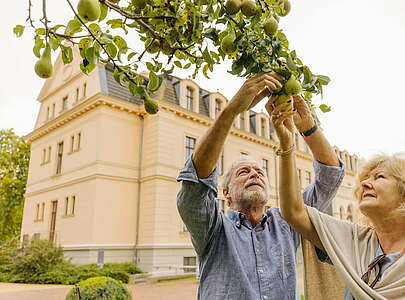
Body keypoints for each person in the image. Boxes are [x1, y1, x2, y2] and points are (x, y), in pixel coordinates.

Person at [176, 72, 344, 300]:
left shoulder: (288, 221)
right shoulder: (213, 229)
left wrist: (308, 128)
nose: (254, 174)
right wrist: (232, 110)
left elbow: (330, 178)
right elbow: (196, 185)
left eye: (260, 172)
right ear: (225, 193)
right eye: (243, 172)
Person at [270, 99, 405, 299]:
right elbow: (293, 211)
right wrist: (288, 141)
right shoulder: (357, 240)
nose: (366, 184)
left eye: (379, 177)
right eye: (364, 179)